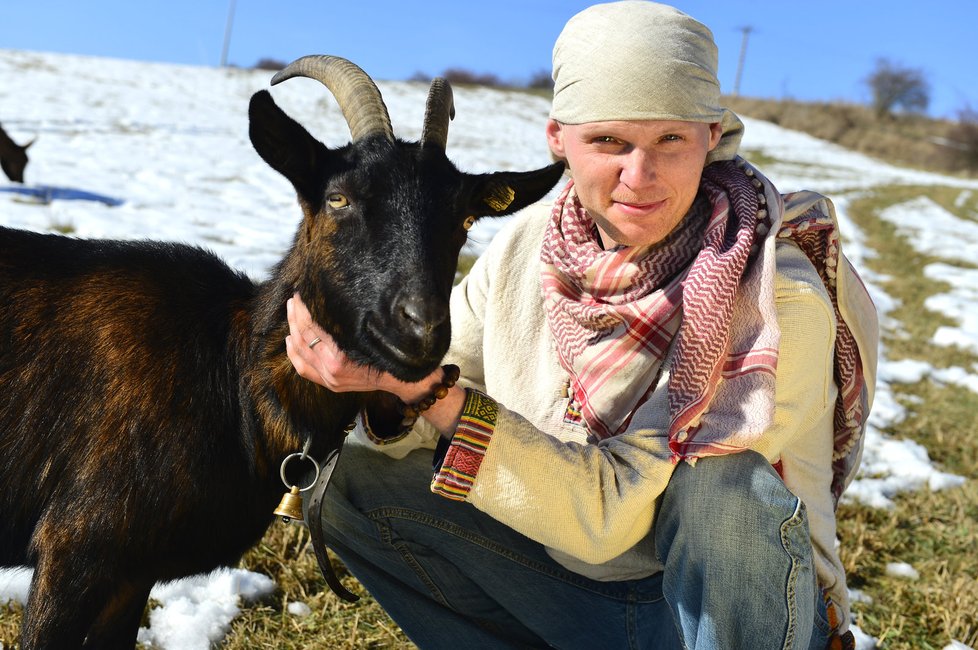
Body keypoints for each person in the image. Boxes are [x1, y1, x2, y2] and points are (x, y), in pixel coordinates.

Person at [284, 2, 879, 648]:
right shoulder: (524, 252)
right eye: (608, 142)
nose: (639, 175)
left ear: (711, 135)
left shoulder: (769, 294)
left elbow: (611, 515)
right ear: (557, 139)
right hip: (575, 594)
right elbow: (411, 415)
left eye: (669, 141)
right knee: (350, 480)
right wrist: (375, 381)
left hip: (727, 614)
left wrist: (429, 395)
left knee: (721, 491)